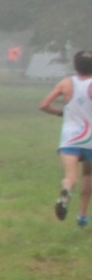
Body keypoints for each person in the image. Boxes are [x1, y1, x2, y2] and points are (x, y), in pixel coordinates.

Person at [38, 50, 92, 227]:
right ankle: (82, 215)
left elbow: (44, 105)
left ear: (75, 64)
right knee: (88, 174)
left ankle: (66, 190)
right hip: (90, 139)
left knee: (70, 176)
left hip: (70, 138)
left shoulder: (66, 83)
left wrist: (60, 113)